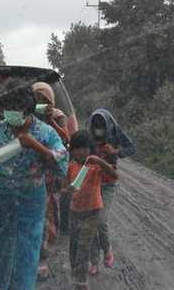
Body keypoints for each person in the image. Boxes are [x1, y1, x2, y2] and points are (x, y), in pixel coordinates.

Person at [0, 78, 69, 290]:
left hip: (31, 204)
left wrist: (34, 145)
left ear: (27, 108)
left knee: (26, 252)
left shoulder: (45, 133)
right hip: (0, 202)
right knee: (0, 249)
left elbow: (61, 160)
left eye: (16, 108)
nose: (11, 112)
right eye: (7, 108)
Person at [63, 130, 118, 290]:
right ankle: (76, 277)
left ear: (90, 149)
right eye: (77, 148)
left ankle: (81, 283)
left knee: (83, 246)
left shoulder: (94, 166)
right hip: (74, 212)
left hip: (92, 213)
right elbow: (64, 187)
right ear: (72, 150)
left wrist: (100, 162)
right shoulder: (71, 167)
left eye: (84, 148)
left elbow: (114, 174)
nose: (80, 152)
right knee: (73, 247)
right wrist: (69, 190)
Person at [86, 108, 136, 275]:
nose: (99, 127)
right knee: (91, 223)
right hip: (91, 184)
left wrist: (116, 151)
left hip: (108, 184)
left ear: (108, 124)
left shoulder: (114, 132)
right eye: (96, 124)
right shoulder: (89, 136)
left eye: (102, 124)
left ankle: (107, 248)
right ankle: (94, 260)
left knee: (101, 220)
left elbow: (131, 147)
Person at [31, 82, 73, 279]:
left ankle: (42, 258)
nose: (40, 103)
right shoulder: (27, 116)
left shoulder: (57, 116)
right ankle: (29, 256)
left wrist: (50, 120)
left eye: (45, 100)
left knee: (47, 217)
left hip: (52, 176)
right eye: (37, 99)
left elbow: (66, 141)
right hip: (31, 175)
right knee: (30, 215)